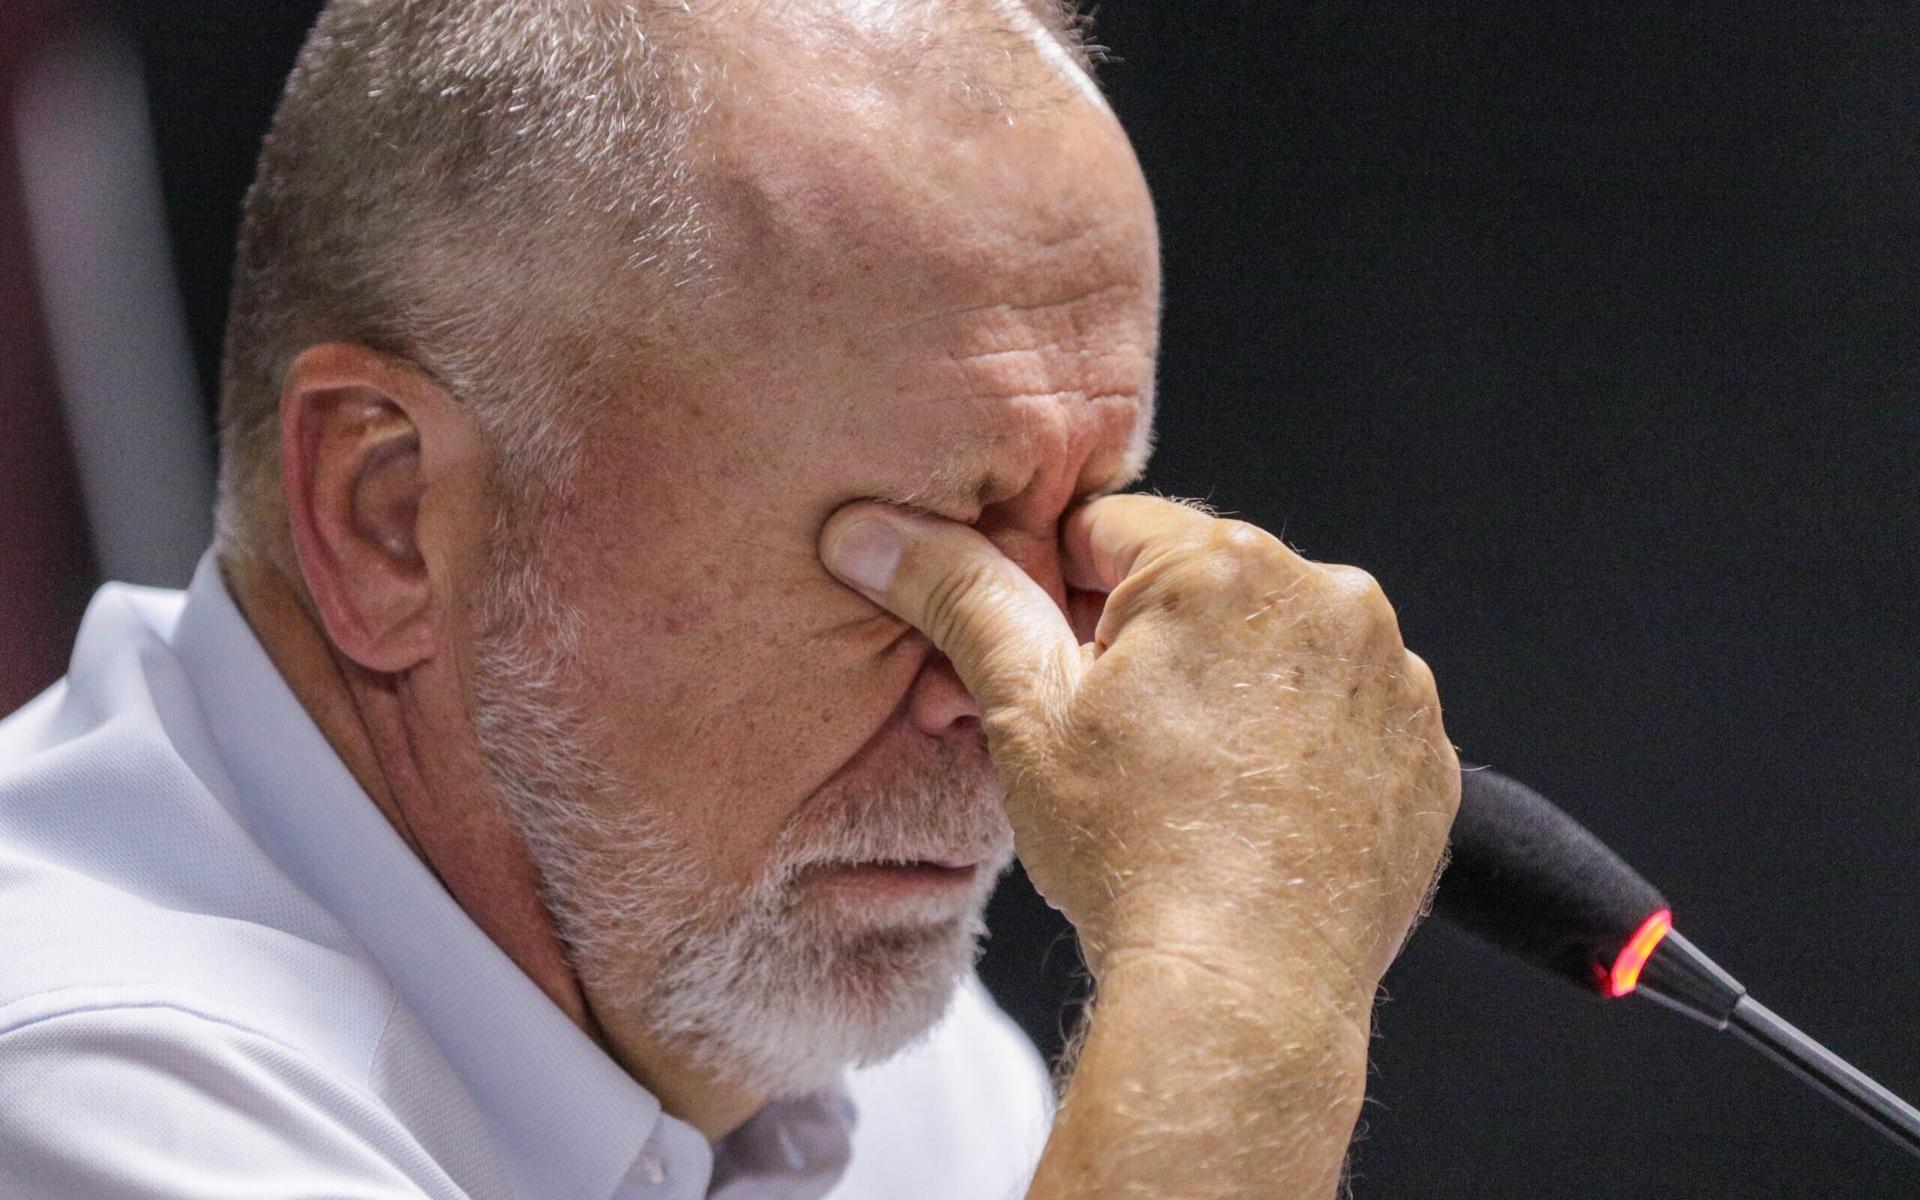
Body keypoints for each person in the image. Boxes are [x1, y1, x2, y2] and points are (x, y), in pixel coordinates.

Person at [0, 1, 1459, 1197]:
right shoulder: (82, 1084)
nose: (1022, 697)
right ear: (388, 519)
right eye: (907, 542)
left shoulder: (878, 1074)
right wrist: (1234, 984)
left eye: (1073, 530)